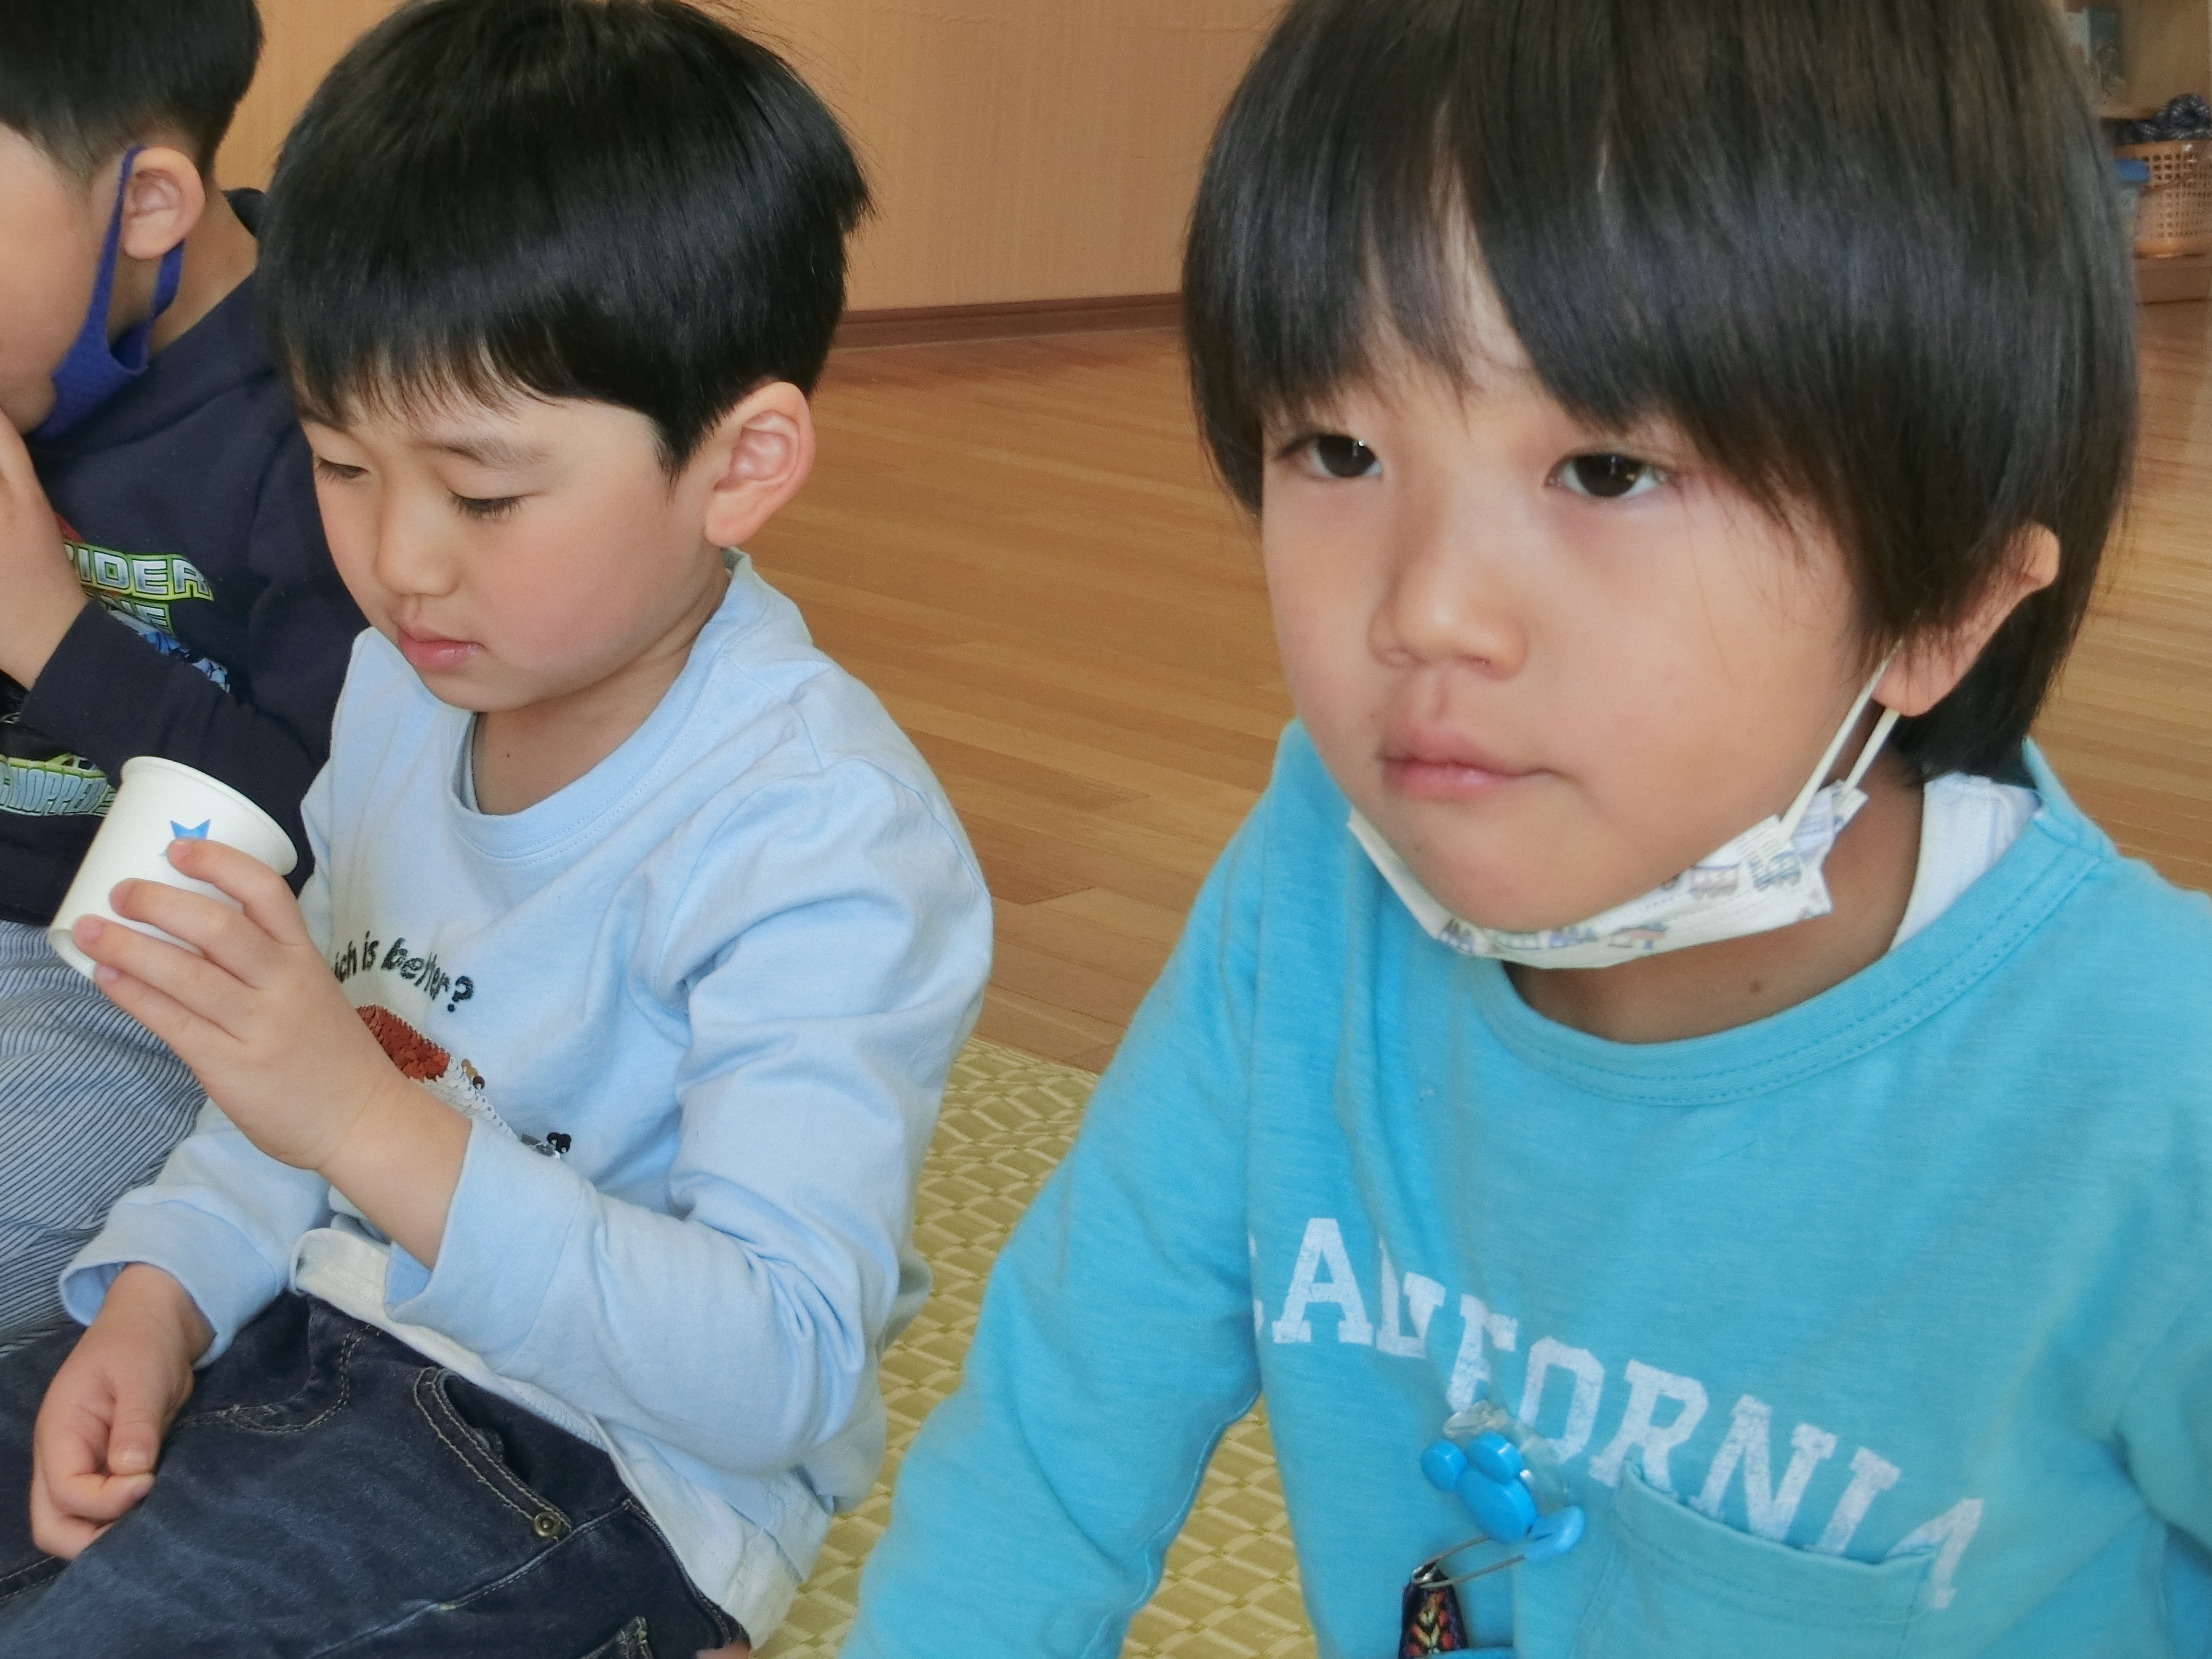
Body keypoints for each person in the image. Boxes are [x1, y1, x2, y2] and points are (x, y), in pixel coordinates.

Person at [841, 0, 2212, 1655]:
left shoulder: (2158, 1092)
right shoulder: (1317, 875)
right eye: (1340, 446)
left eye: (1610, 469)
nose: (1426, 609)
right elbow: (1059, 1432)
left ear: (1945, 606)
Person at [0, 0, 993, 1653]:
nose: (401, 561)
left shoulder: (821, 835)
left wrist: (360, 1122)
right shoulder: (399, 697)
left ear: (739, 465)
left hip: (596, 1465)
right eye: (339, 462)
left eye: (481, 494)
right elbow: (289, 1087)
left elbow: (786, 1367)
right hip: (311, 1322)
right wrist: (159, 1298)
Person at [0, 0, 362, 1349]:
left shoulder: (331, 423)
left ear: (148, 203)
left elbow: (336, 830)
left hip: (145, 990)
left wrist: (48, 629)